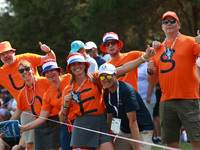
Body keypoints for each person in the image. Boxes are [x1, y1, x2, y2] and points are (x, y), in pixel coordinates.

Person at [60, 45, 155, 150]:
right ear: (69, 68)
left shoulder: (96, 78)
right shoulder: (67, 90)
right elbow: (62, 119)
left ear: (85, 65)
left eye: (79, 63)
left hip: (100, 123)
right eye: (73, 64)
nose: (77, 66)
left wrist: (144, 57)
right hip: (81, 125)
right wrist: (65, 105)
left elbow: (123, 68)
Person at [147, 11, 200, 149]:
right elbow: (153, 81)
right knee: (171, 144)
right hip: (166, 101)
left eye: (172, 21)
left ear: (179, 25)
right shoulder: (156, 49)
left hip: (188, 99)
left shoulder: (191, 41)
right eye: (165, 22)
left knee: (197, 140)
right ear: (162, 27)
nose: (169, 23)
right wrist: (150, 71)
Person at [0, 41, 56, 150]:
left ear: (13, 52)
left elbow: (50, 59)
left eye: (8, 53)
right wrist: (5, 129)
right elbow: (16, 113)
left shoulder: (26, 58)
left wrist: (48, 50)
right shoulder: (1, 72)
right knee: (30, 143)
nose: (6, 56)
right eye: (2, 54)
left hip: (44, 103)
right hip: (25, 108)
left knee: (53, 142)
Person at [20, 59, 72, 150]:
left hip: (81, 118)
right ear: (44, 75)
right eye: (47, 72)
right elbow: (42, 118)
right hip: (66, 123)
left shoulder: (70, 78)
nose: (50, 73)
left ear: (58, 70)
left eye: (52, 70)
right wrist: (24, 128)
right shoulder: (47, 95)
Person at [99, 63, 153, 150]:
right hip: (124, 131)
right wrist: (111, 139)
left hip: (141, 129)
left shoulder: (126, 90)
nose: (106, 80)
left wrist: (138, 146)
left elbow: (133, 120)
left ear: (115, 75)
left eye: (108, 76)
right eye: (102, 77)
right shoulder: (106, 93)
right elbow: (111, 117)